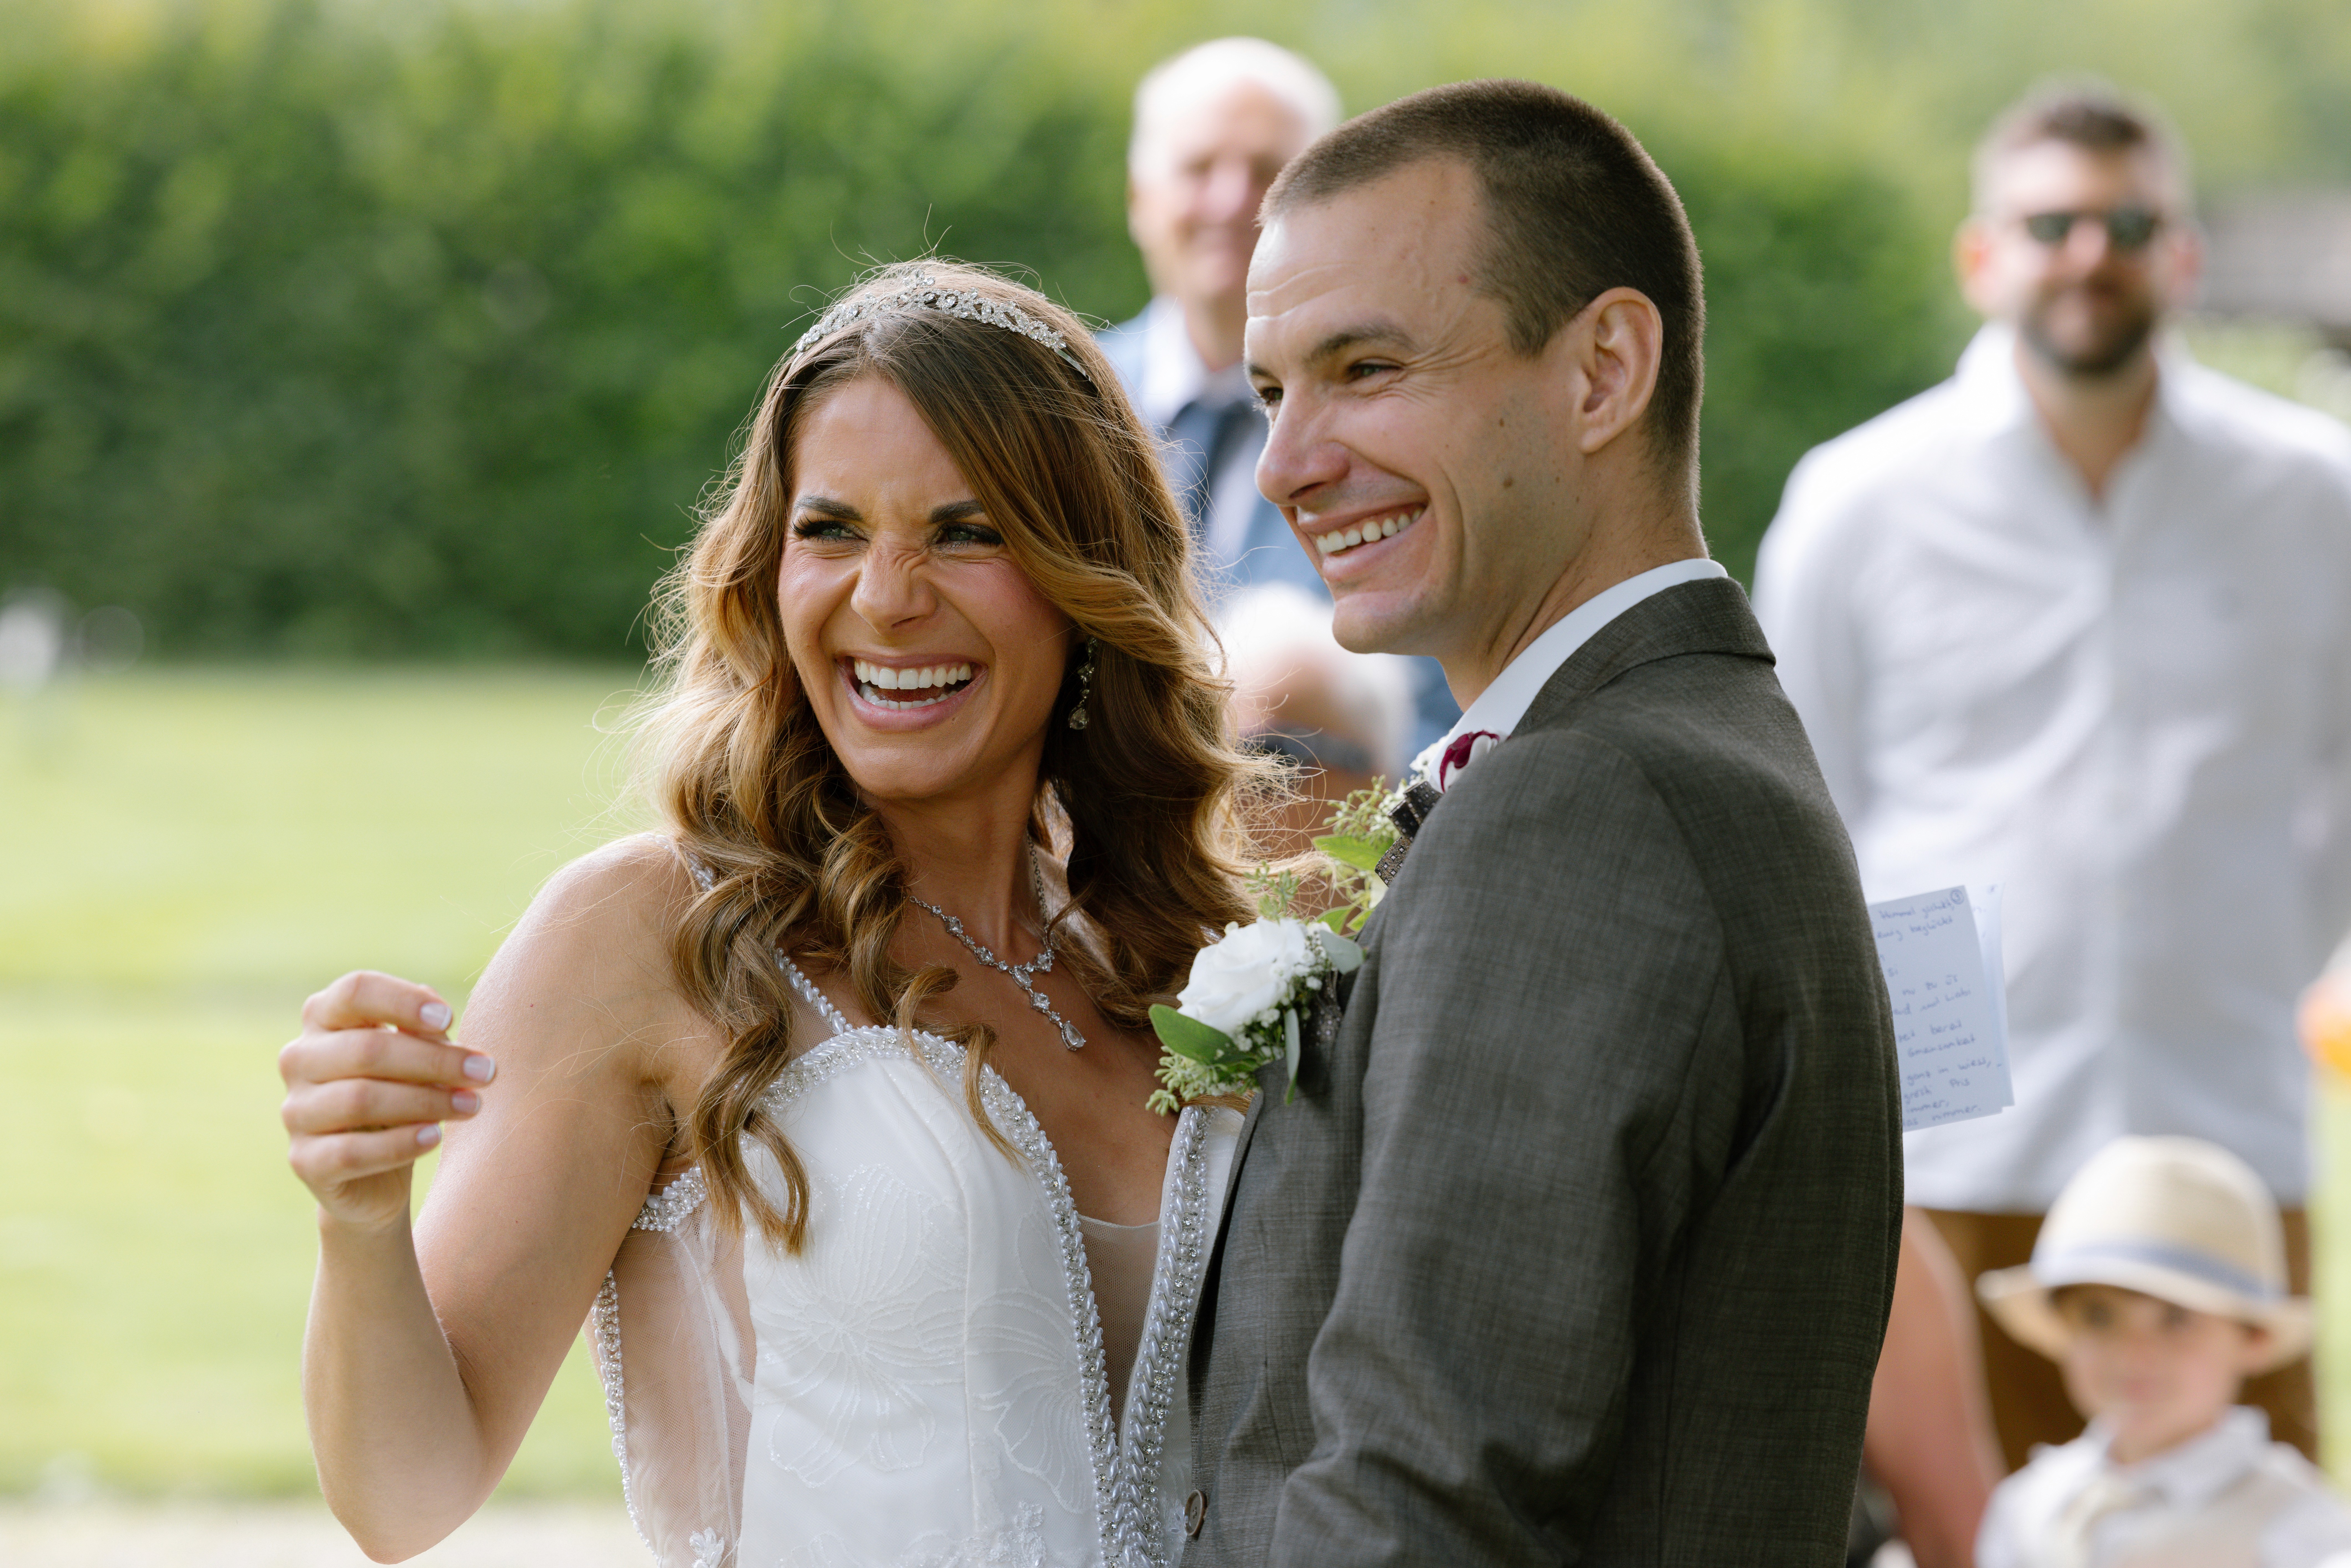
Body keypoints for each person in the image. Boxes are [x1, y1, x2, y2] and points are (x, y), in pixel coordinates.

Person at [277, 261, 1265, 1567]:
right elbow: (405, 1493)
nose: (889, 596)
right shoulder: (651, 935)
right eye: (833, 529)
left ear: (1085, 577)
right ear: (768, 565)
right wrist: (358, 1221)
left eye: (968, 532)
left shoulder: (1174, 954)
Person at [1184, 80, 1904, 1563]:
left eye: (1365, 368)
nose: (1285, 463)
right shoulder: (1694, 737)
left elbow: (1419, 1502)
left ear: (1602, 371)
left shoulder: (1584, 804)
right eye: (1269, 392)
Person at [1752, 81, 2351, 1469]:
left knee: (2247, 1531)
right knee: (1966, 1524)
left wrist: (2266, 951)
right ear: (1984, 255)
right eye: (2053, 222)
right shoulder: (1861, 502)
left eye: (2129, 221)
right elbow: (1808, 805)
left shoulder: (2315, 498)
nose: (2091, 252)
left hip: (2224, 1128)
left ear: (2185, 253)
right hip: (1962, 1147)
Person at [1097, 37, 1459, 757]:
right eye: (1198, 167)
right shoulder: (1059, 410)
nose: (1232, 201)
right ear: (1140, 199)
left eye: (1268, 172)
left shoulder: (1406, 427)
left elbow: (1438, 696)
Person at [1974, 1136, 2351, 1568]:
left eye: (2176, 1319)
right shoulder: (2030, 1503)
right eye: (2099, 1316)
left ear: (2254, 1339)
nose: (2135, 1353)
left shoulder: (2296, 1526)